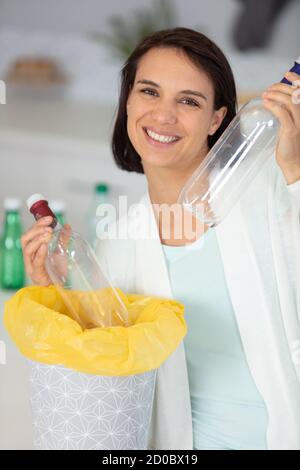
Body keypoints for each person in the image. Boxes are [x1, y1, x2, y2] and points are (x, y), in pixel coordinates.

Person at [21, 28, 300, 450]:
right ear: (128, 102)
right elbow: (100, 383)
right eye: (149, 92)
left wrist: (296, 171)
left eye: (188, 101)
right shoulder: (120, 240)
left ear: (217, 119)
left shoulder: (270, 186)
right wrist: (57, 289)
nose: (164, 115)